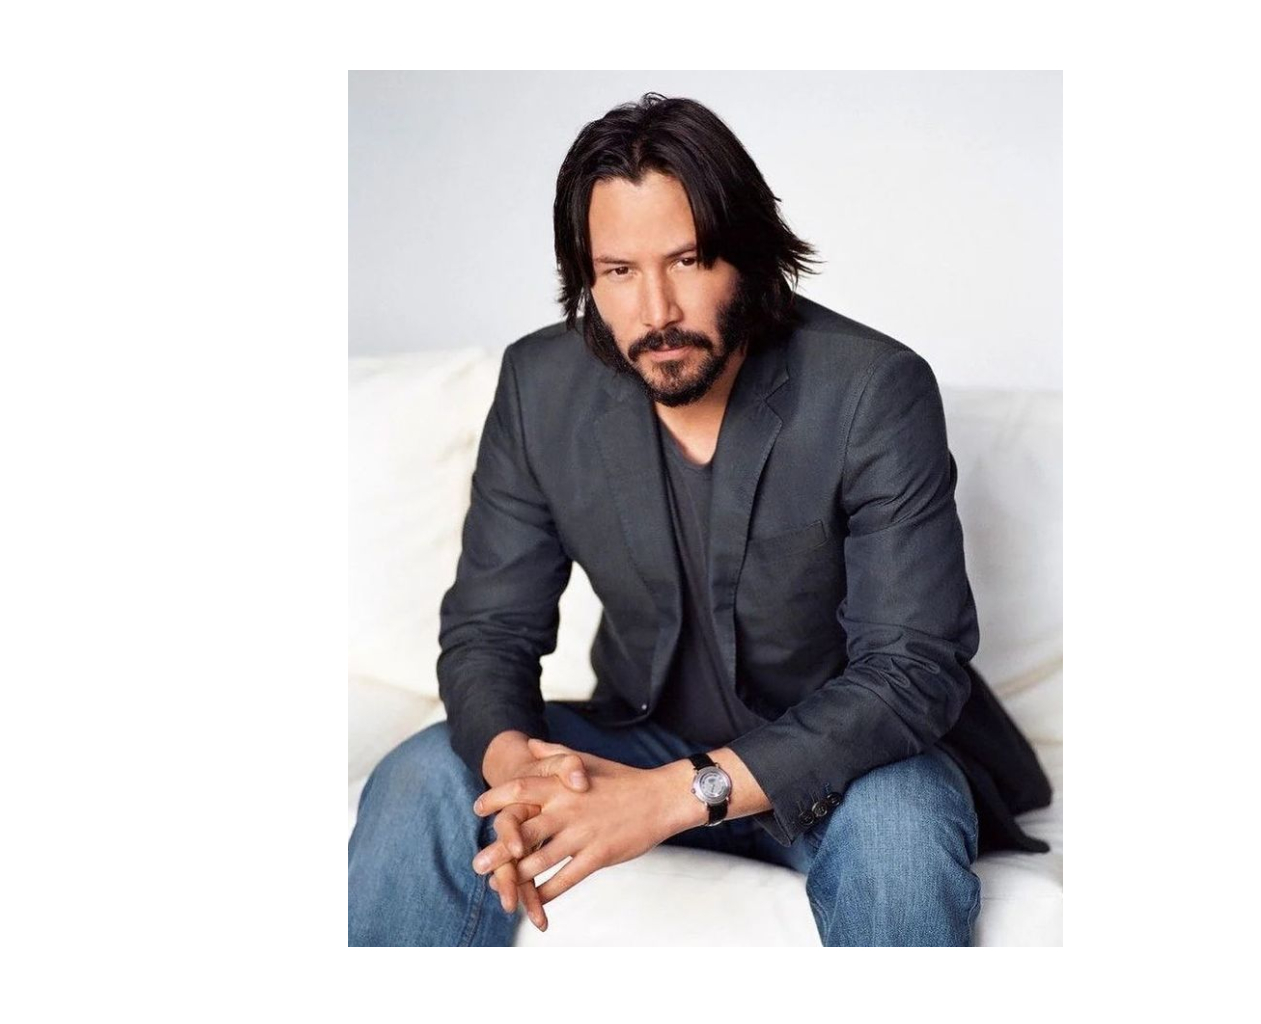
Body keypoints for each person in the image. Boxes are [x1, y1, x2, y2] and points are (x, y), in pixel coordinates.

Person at [347, 92, 1053, 947]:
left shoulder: (872, 389)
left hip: (846, 761)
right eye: (619, 272)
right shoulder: (540, 387)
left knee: (901, 832)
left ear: (750, 255)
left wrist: (670, 799)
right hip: (641, 735)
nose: (656, 312)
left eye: (688, 260)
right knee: (423, 773)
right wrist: (519, 773)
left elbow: (911, 670)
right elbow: (489, 631)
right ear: (587, 277)